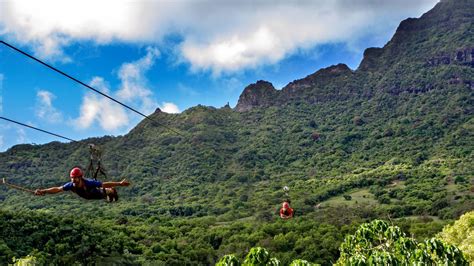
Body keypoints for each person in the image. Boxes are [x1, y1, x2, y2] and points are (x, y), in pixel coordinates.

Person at [35, 167, 130, 202]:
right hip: (87, 196)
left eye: (75, 178)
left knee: (101, 191)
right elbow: (57, 189)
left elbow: (104, 184)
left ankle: (111, 191)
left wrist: (119, 184)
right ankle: (109, 192)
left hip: (95, 193)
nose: (73, 180)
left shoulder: (88, 182)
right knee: (96, 194)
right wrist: (44, 191)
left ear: (80, 177)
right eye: (72, 178)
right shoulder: (70, 185)